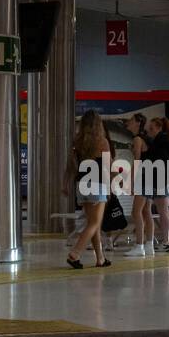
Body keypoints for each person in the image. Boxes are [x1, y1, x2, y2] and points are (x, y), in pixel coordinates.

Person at [63, 110, 113, 268]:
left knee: (94, 223)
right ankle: (75, 253)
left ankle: (100, 258)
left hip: (81, 186)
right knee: (94, 223)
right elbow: (107, 167)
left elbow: (70, 166)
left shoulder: (77, 141)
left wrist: (65, 184)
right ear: (99, 124)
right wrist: (110, 186)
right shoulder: (102, 142)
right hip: (97, 185)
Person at [147, 116, 169, 250]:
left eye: (151, 128)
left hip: (161, 178)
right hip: (167, 178)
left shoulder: (160, 141)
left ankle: (166, 242)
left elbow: (160, 161)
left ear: (159, 128)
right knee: (166, 211)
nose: (149, 131)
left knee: (163, 211)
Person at [123, 113, 155, 257]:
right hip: (150, 176)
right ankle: (149, 245)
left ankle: (139, 246)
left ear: (137, 123)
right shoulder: (146, 139)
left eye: (130, 120)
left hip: (143, 177)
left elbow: (137, 161)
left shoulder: (137, 139)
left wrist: (130, 181)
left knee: (136, 212)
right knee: (146, 212)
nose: (128, 122)